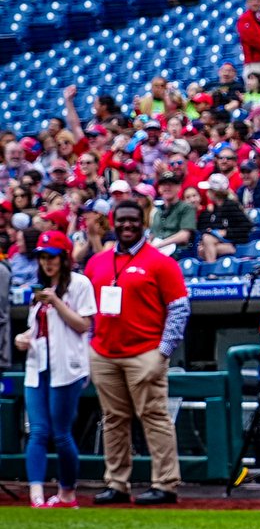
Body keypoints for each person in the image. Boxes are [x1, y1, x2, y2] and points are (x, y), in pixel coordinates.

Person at [84, 197, 189, 505]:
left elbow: (179, 308)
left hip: (145, 350)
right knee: (113, 419)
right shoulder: (97, 262)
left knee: (154, 416)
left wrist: (163, 352)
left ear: (143, 222)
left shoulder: (160, 261)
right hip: (104, 352)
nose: (127, 225)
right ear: (112, 223)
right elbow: (88, 308)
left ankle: (166, 483)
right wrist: (91, 344)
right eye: (121, 220)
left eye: (133, 219)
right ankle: (116, 483)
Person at [15, 231, 96, 508]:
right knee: (37, 431)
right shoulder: (37, 287)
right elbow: (35, 327)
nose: (47, 263)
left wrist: (56, 302)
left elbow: (84, 324)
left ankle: (67, 493)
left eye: (52, 257)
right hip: (38, 364)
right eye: (42, 257)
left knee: (61, 433)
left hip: (68, 365)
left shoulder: (79, 283)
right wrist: (23, 338)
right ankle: (36, 495)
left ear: (63, 259)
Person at [196, 174, 252, 262]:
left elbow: (247, 226)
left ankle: (212, 272)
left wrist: (226, 232)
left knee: (207, 239)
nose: (207, 193)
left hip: (236, 245)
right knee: (202, 249)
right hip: (223, 243)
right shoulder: (216, 207)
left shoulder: (230, 205)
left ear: (214, 192)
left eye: (209, 190)